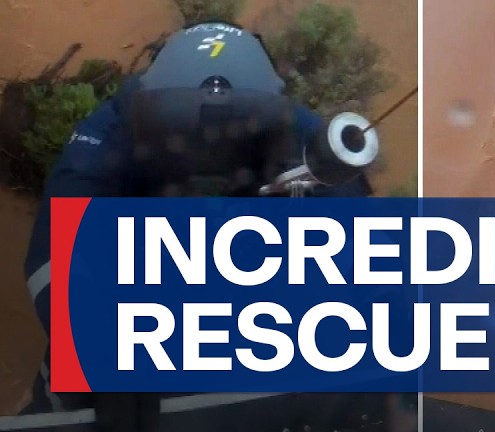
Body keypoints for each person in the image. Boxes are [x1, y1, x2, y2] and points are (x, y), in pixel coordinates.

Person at [20, 22, 373, 429]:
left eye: (239, 133)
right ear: (148, 105)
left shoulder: (300, 132)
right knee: (68, 401)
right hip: (130, 287)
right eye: (177, 129)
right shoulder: (116, 123)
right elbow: (57, 251)